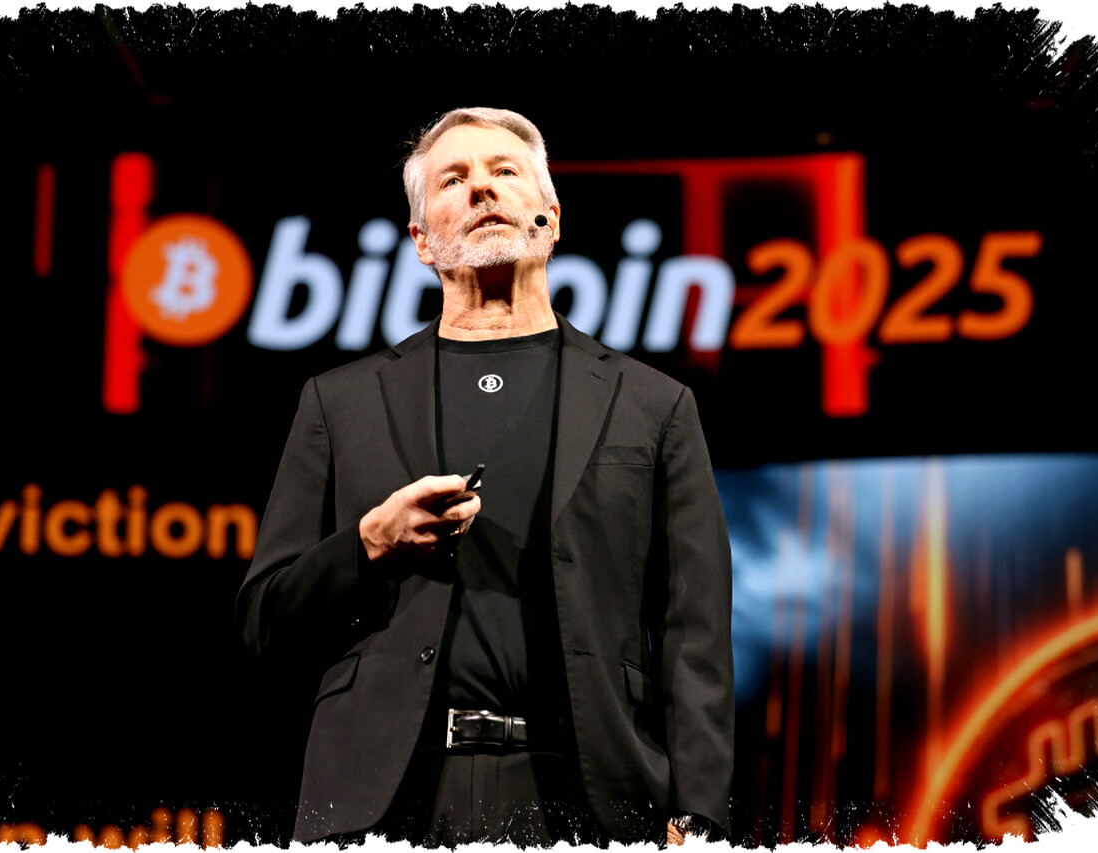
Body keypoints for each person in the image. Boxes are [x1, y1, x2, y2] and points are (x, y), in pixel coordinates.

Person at [237, 107, 733, 847]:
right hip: (384, 802)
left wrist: (700, 816)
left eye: (504, 171)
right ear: (420, 241)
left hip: (590, 799)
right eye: (453, 179)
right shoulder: (339, 402)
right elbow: (264, 623)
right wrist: (369, 543)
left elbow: (696, 632)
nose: (481, 188)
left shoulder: (654, 405)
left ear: (550, 220)